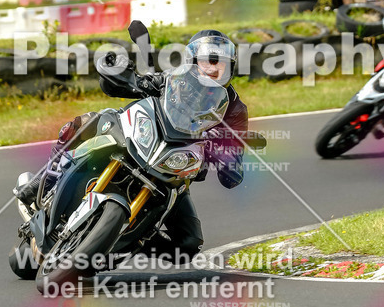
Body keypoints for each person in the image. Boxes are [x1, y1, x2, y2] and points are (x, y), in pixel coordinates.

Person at [14, 29, 248, 262]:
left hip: (172, 171)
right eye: (211, 60)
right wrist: (123, 75)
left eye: (224, 63)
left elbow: (233, 172)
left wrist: (225, 154)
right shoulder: (175, 80)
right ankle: (42, 181)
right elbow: (131, 85)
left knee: (187, 245)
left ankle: (123, 243)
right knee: (90, 121)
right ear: (192, 61)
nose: (216, 68)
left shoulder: (235, 109)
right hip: (139, 138)